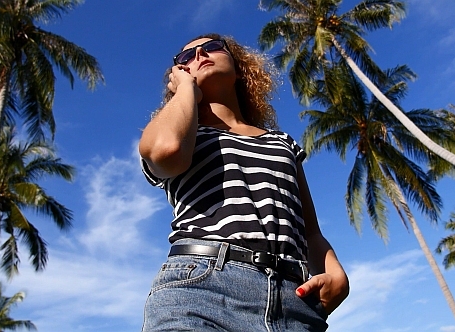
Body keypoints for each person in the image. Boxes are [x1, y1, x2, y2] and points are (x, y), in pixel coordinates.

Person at [138, 33, 349, 331]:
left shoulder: (282, 142)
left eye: (211, 48)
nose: (199, 55)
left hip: (293, 301)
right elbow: (165, 151)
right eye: (186, 58)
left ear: (239, 68)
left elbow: (309, 230)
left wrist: (335, 273)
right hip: (200, 289)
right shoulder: (184, 133)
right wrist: (186, 90)